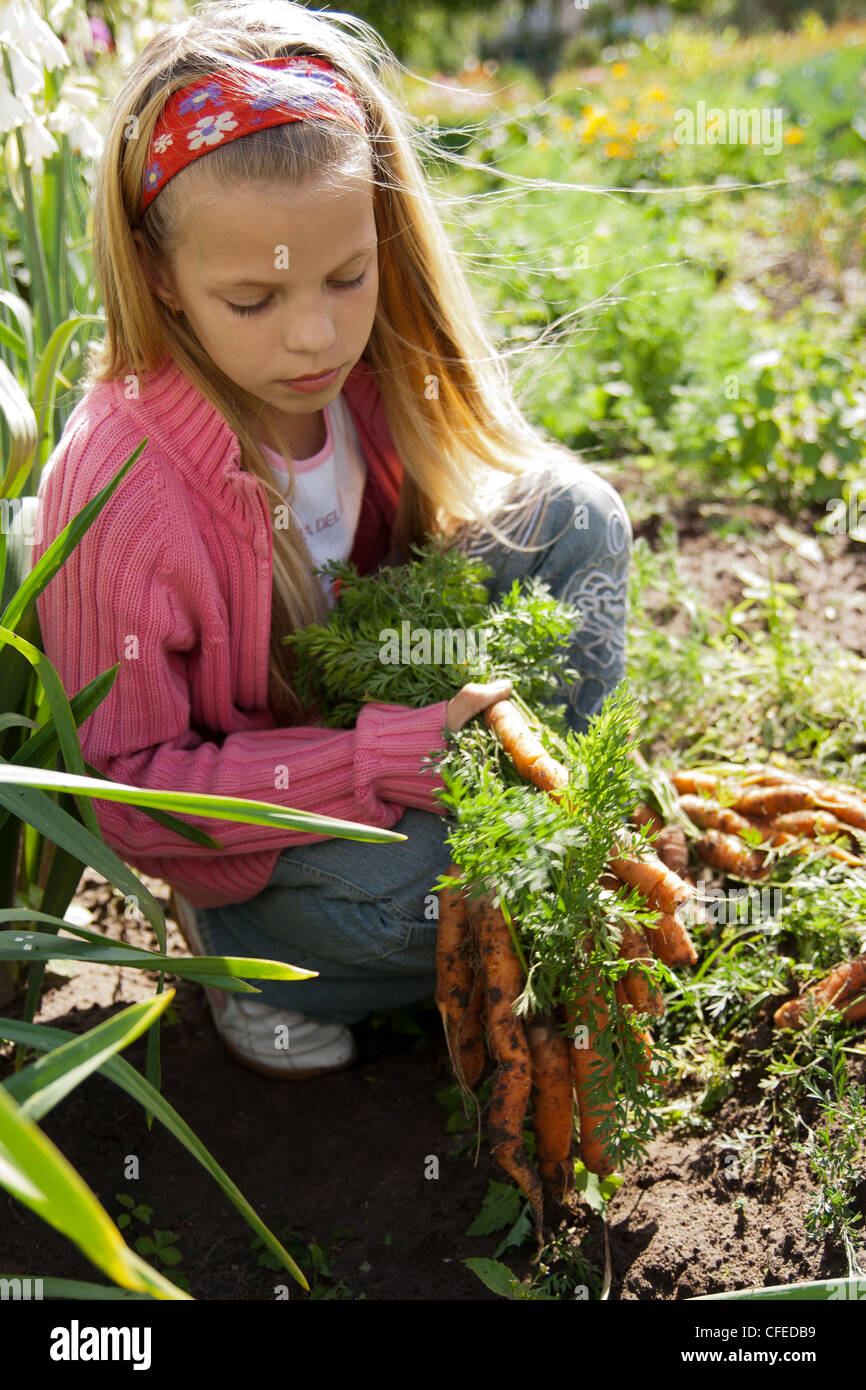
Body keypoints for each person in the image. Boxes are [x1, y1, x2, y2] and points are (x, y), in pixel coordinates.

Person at [33, 0, 633, 1079]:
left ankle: (564, 846)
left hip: (386, 740)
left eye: (345, 278)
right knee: (434, 894)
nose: (314, 335)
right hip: (266, 844)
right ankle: (250, 959)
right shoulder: (123, 482)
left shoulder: (367, 371)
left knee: (576, 514)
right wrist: (381, 756)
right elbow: (135, 796)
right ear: (162, 277)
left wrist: (440, 725)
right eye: (252, 298)